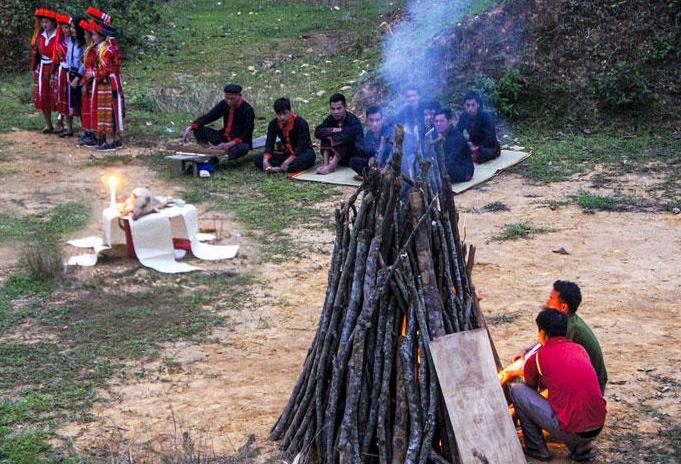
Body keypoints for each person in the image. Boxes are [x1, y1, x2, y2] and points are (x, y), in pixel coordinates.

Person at [510, 308, 607, 462]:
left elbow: (530, 388)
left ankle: (537, 449)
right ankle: (582, 448)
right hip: (597, 426)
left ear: (542, 333)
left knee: (518, 391)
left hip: (573, 431)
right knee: (572, 397)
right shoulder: (579, 349)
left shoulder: (537, 357)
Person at [511, 281, 608, 394]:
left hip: (590, 387)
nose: (547, 303)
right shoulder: (565, 322)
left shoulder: (572, 329)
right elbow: (547, 340)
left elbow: (552, 352)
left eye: (551, 299)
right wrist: (527, 351)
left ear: (563, 307)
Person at [182, 83, 255, 162]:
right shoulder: (224, 104)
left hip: (238, 141)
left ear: (239, 96)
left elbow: (247, 134)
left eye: (232, 99)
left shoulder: (248, 110)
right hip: (223, 137)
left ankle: (221, 156)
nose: (229, 101)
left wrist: (229, 144)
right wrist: (190, 127)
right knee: (199, 129)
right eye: (227, 98)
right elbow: (209, 116)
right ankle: (206, 151)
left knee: (242, 149)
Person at [254, 98, 316, 174]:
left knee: (310, 156)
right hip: (286, 153)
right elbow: (269, 143)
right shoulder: (273, 124)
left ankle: (279, 169)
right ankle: (282, 168)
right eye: (279, 114)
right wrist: (265, 160)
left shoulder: (301, 123)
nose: (282, 117)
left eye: (285, 113)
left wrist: (288, 160)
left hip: (301, 153)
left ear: (290, 111)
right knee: (258, 159)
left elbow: (302, 146)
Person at [87, 21, 123, 151]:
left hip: (107, 84)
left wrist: (93, 74)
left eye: (95, 35)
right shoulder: (105, 48)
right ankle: (114, 139)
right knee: (109, 111)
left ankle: (110, 140)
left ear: (102, 36)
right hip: (108, 83)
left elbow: (106, 71)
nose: (93, 37)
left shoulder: (105, 51)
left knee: (107, 112)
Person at [314, 93, 364, 175]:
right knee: (326, 135)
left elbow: (347, 136)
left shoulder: (353, 121)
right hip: (339, 156)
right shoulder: (330, 119)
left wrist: (334, 134)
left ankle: (332, 166)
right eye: (333, 109)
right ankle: (326, 163)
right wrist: (332, 130)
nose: (335, 112)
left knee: (344, 139)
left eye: (339, 108)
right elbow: (318, 131)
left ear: (345, 107)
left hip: (353, 155)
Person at [31, 8, 60, 134]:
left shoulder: (58, 36)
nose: (44, 25)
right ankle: (48, 124)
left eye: (46, 22)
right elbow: (36, 53)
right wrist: (34, 67)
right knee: (42, 96)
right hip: (42, 68)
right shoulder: (40, 36)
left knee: (57, 95)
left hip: (55, 68)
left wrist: (56, 69)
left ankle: (61, 123)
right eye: (42, 22)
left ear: (53, 23)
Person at [455, 91, 501, 163]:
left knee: (480, 155)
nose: (470, 108)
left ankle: (472, 156)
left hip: (487, 146)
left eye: (473, 105)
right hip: (472, 144)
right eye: (468, 105)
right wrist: (467, 143)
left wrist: (477, 147)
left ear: (478, 105)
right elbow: (457, 133)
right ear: (464, 105)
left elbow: (490, 138)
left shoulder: (485, 116)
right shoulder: (463, 116)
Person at [349, 106, 394, 177]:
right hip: (376, 164)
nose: (374, 124)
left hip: (388, 164)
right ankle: (373, 176)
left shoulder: (389, 132)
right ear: (367, 121)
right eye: (371, 120)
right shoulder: (369, 135)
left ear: (382, 120)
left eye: (377, 120)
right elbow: (368, 152)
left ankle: (375, 176)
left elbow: (392, 153)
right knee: (353, 161)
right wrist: (371, 158)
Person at [433, 108, 474, 183]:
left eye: (442, 121)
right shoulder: (437, 136)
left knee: (447, 167)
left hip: (464, 170)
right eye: (436, 121)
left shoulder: (456, 138)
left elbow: (451, 159)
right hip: (451, 165)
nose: (438, 124)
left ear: (449, 121)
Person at [63, 17, 86, 138]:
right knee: (74, 103)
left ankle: (85, 130)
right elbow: (67, 58)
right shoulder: (71, 41)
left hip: (80, 75)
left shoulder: (84, 44)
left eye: (73, 27)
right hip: (71, 73)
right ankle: (72, 128)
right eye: (70, 27)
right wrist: (68, 75)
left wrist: (77, 78)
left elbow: (84, 63)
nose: (71, 30)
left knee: (82, 104)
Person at [79, 19, 98, 146]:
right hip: (88, 82)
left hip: (92, 84)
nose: (84, 37)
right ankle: (88, 132)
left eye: (86, 35)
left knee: (92, 108)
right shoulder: (90, 49)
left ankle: (93, 134)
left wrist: (85, 84)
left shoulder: (93, 50)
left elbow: (90, 69)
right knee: (87, 108)